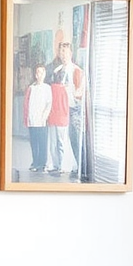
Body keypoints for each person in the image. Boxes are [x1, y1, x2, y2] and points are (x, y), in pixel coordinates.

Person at [46, 40, 85, 177]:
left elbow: (80, 92)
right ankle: (60, 164)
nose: (63, 55)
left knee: (73, 139)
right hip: (59, 110)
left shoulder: (77, 71)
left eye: (65, 52)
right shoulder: (56, 71)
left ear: (71, 53)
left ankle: (78, 168)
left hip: (73, 109)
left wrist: (71, 92)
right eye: (61, 52)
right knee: (58, 140)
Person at [22, 63, 52, 173]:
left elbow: (49, 104)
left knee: (43, 142)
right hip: (32, 120)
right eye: (38, 72)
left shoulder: (47, 88)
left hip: (42, 121)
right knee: (34, 143)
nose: (39, 74)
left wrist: (44, 117)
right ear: (35, 74)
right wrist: (28, 118)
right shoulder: (31, 88)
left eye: (41, 72)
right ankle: (35, 162)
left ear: (44, 74)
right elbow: (27, 104)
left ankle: (43, 163)